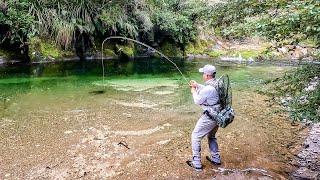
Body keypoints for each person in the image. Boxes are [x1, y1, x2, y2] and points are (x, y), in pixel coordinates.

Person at [186, 64, 221, 171]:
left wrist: (193, 91)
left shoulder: (208, 89)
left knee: (195, 136)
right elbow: (209, 90)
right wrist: (198, 85)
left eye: (203, 74)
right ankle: (216, 159)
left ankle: (196, 163)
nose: (202, 75)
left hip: (210, 116)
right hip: (219, 115)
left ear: (207, 75)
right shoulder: (219, 82)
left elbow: (197, 101)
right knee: (211, 136)